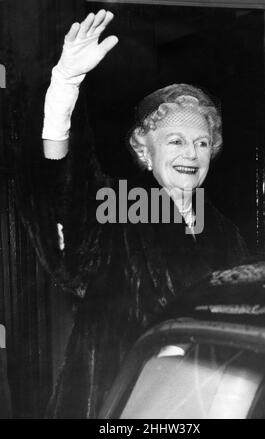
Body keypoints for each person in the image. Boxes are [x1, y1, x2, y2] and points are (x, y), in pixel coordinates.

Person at [19, 10, 248, 418]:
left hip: (200, 403)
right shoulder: (121, 207)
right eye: (175, 140)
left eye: (201, 142)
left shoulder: (227, 234)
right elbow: (62, 183)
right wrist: (64, 86)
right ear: (146, 150)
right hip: (116, 399)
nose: (190, 154)